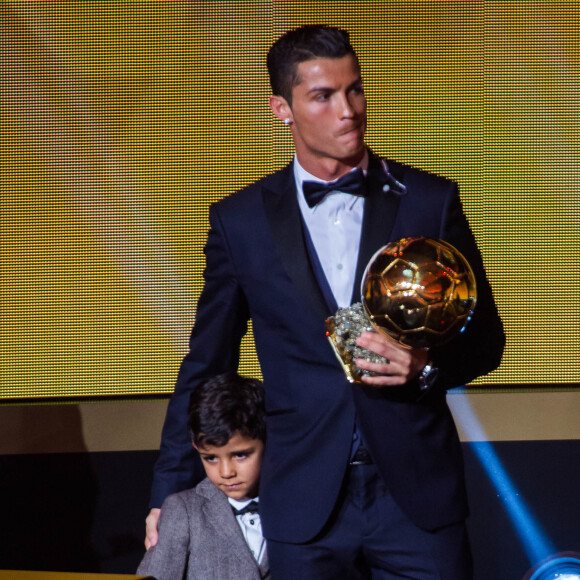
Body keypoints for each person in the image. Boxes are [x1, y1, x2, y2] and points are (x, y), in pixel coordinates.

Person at [145, 25, 505, 579]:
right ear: (281, 109)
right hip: (302, 498)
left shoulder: (429, 200)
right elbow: (206, 362)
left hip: (414, 495)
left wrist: (427, 366)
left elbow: (486, 341)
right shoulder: (239, 222)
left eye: (355, 89)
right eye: (324, 96)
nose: (349, 110)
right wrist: (169, 491)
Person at [138, 372, 269, 580]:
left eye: (240, 455)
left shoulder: (298, 504)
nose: (226, 472)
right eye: (210, 458)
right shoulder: (183, 510)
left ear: (267, 442)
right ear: (196, 448)